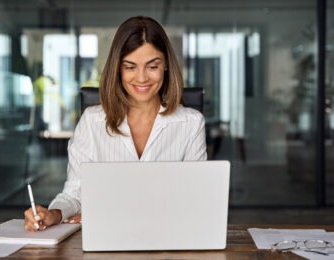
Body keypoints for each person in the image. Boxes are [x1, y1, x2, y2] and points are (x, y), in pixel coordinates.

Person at [24, 16, 207, 232]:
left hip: (169, 237)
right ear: (118, 69)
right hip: (107, 237)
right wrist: (54, 214)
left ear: (165, 65)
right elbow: (74, 193)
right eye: (130, 67)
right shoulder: (92, 122)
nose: (141, 78)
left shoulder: (191, 123)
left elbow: (195, 199)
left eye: (152, 66)